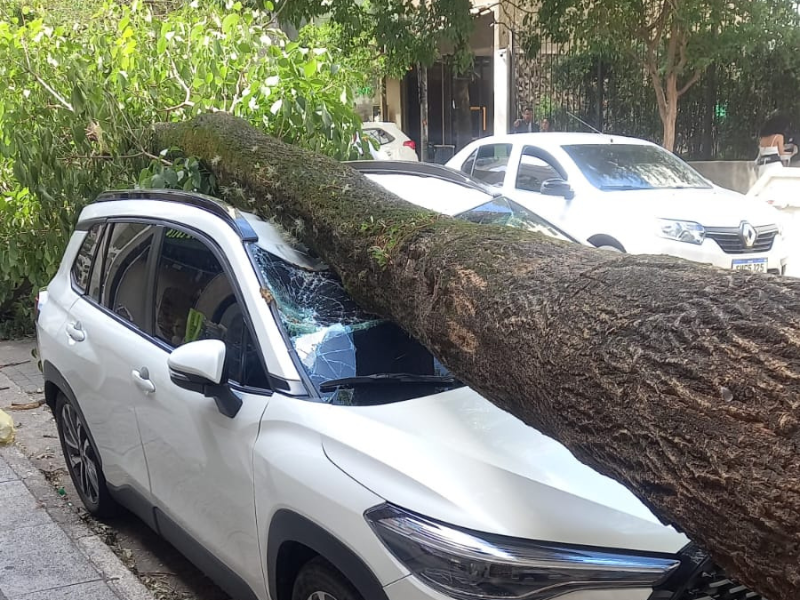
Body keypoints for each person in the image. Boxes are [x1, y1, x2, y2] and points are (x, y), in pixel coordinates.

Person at [756, 114, 796, 178]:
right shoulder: (779, 136)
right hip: (774, 165)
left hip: (762, 166)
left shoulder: (762, 138)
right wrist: (792, 153)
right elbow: (781, 153)